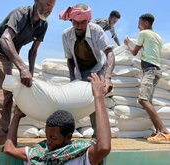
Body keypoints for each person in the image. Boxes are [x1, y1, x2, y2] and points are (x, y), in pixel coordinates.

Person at [0, 0, 56, 150]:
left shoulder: (43, 25)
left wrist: (30, 74)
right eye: (48, 4)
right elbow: (5, 39)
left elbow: (33, 51)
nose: (50, 9)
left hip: (8, 56)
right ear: (36, 1)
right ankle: (3, 142)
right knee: (3, 95)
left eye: (53, 6)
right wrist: (22, 68)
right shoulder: (21, 14)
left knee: (4, 93)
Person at [4, 73, 111, 165]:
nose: (48, 142)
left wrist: (98, 97)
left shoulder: (80, 156)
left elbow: (103, 147)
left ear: (68, 136)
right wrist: (17, 116)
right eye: (47, 136)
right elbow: (9, 148)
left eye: (53, 138)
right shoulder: (39, 153)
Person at [60, 4, 115, 140]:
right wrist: (72, 80)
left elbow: (109, 53)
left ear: (88, 21)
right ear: (71, 21)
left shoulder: (96, 31)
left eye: (82, 23)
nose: (78, 26)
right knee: (71, 101)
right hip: (80, 71)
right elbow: (70, 59)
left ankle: (99, 138)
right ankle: (66, 137)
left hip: (97, 69)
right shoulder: (66, 35)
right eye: (75, 23)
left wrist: (107, 78)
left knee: (95, 102)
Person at [124, 13, 170, 142]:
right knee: (148, 101)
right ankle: (157, 131)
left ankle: (164, 131)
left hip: (149, 70)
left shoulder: (143, 34)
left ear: (145, 23)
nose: (138, 26)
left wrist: (128, 44)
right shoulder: (158, 37)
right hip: (156, 70)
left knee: (143, 100)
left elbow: (134, 52)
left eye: (139, 23)